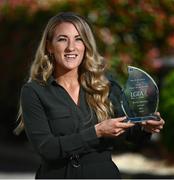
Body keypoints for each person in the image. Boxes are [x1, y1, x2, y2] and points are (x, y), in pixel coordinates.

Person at [15, 12, 165, 179]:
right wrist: (97, 132)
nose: (71, 47)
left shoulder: (105, 85)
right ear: (49, 46)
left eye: (78, 39)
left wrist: (145, 126)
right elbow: (46, 148)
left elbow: (131, 133)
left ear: (86, 45)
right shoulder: (34, 91)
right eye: (62, 39)